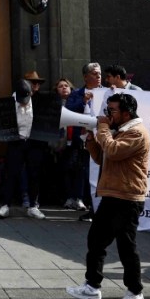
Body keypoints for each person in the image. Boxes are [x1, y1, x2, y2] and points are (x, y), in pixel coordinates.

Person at [66, 92, 150, 299]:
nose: (107, 116)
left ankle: (136, 292)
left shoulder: (136, 133)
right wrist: (91, 140)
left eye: (111, 111)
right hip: (113, 195)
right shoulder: (119, 131)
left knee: (126, 247)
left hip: (128, 198)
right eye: (106, 111)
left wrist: (101, 129)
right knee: (96, 241)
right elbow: (101, 157)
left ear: (126, 112)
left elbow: (112, 151)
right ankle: (92, 288)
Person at [0, 80, 47, 220]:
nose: (23, 102)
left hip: (33, 141)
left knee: (34, 174)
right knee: (11, 173)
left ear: (31, 93)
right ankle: (5, 205)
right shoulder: (10, 105)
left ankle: (33, 206)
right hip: (16, 141)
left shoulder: (39, 103)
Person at [66, 62, 103, 221]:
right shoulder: (76, 93)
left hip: (100, 140)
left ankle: (99, 208)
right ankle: (89, 206)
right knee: (85, 172)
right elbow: (69, 110)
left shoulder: (107, 92)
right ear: (86, 76)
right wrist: (83, 101)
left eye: (100, 73)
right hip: (81, 140)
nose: (99, 76)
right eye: (95, 73)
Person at [55, 77, 87, 212]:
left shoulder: (78, 100)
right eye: (60, 86)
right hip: (61, 141)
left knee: (79, 169)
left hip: (77, 139)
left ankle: (78, 198)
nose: (64, 88)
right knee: (65, 170)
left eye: (66, 85)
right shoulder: (55, 103)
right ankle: (68, 197)